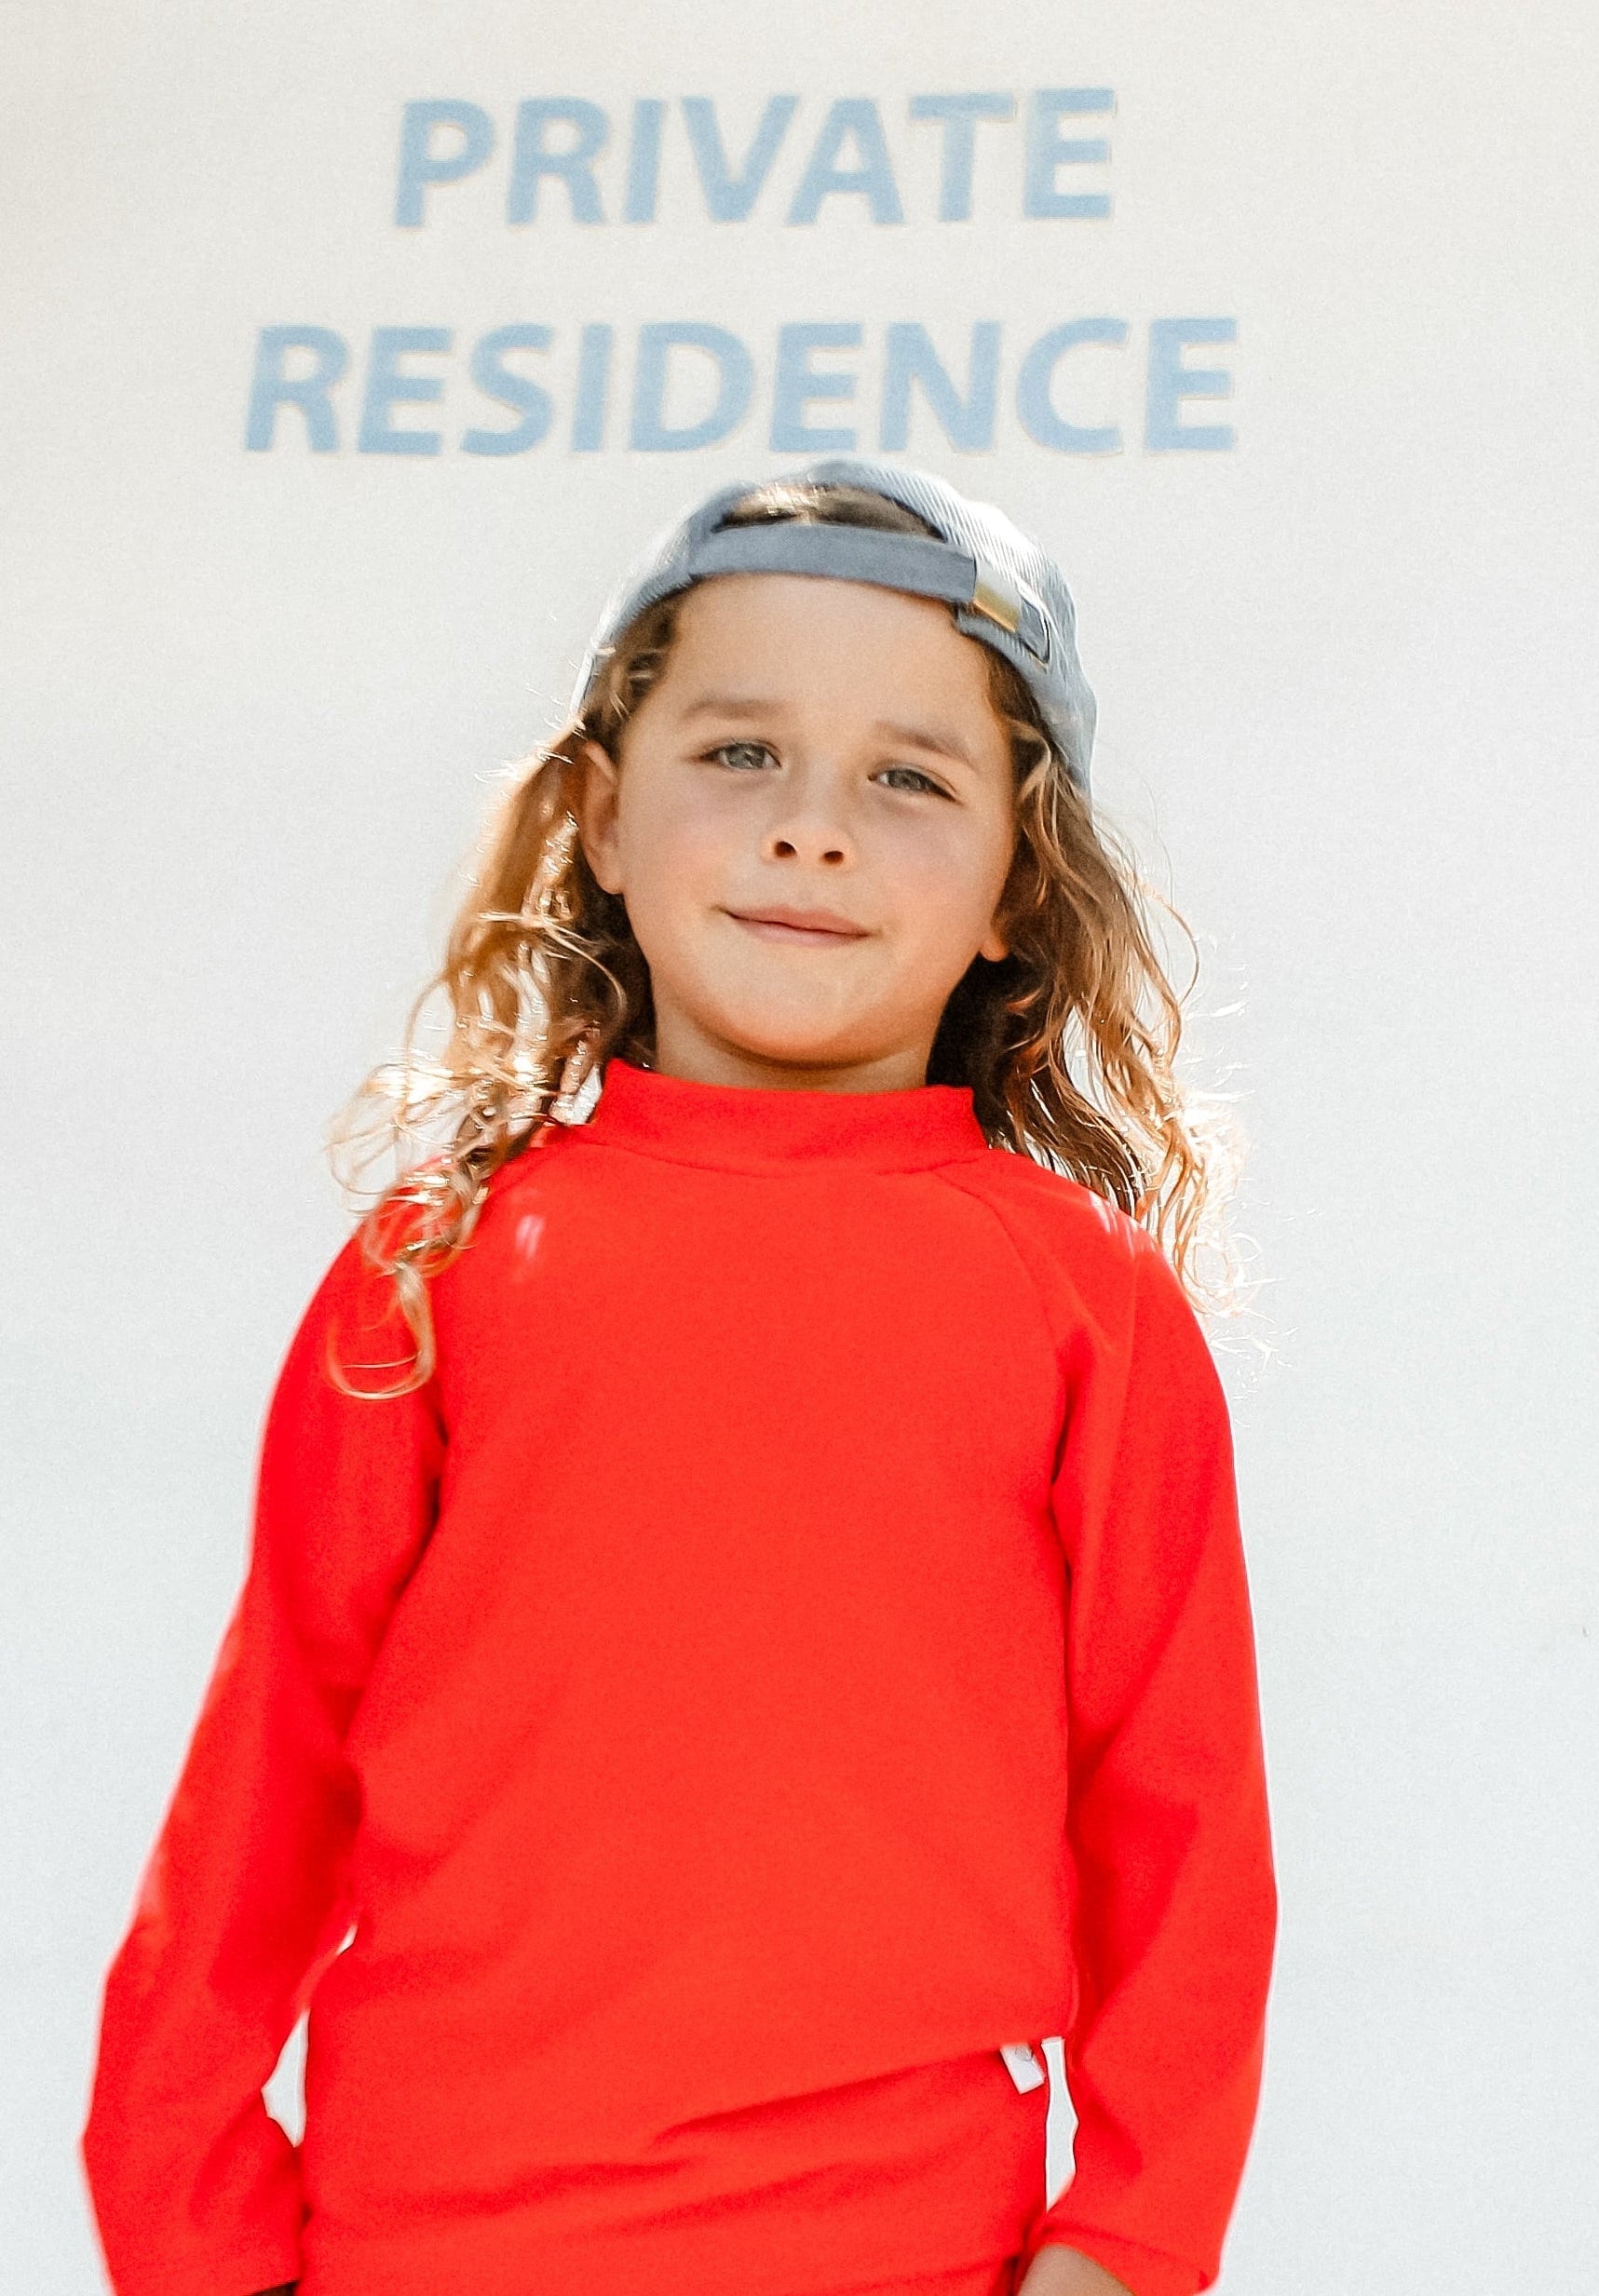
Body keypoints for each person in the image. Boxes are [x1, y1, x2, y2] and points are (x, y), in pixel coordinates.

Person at [81, 456, 1277, 2296]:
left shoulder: (1087, 1308)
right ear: (602, 820)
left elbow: (1184, 1827)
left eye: (908, 777)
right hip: (421, 2252)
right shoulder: (433, 1268)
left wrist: (1126, 2242)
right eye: (738, 755)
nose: (815, 829)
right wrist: (195, 2237)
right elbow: (263, 1793)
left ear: (1018, 886)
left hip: (904, 2253)